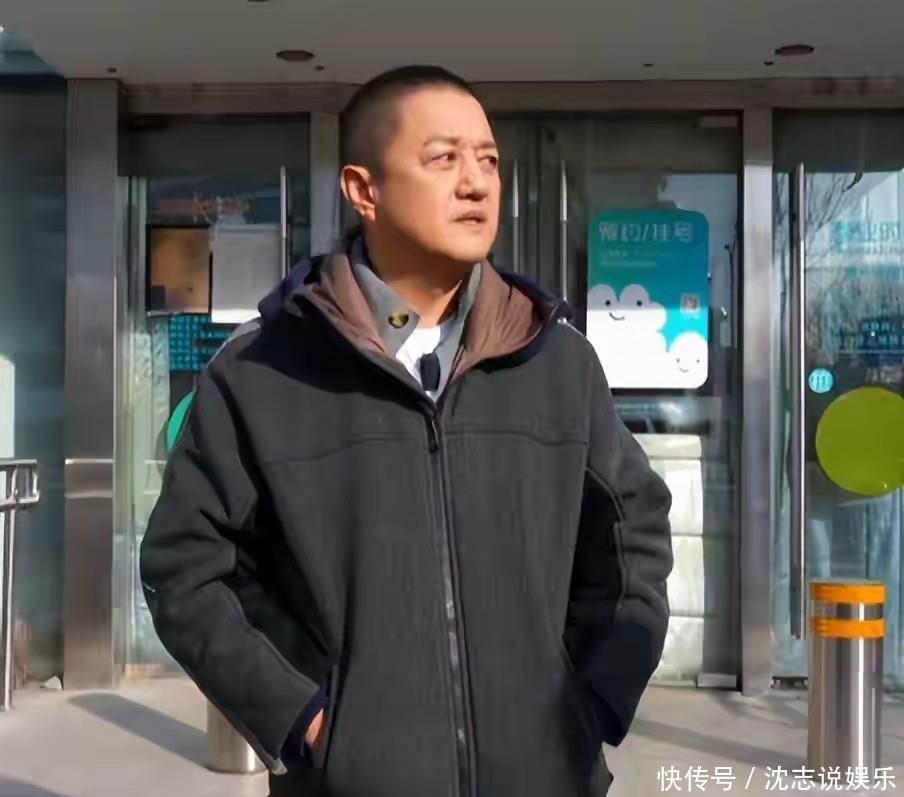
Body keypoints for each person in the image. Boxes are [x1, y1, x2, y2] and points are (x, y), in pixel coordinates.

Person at [140, 65, 674, 797]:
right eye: (443, 158)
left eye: (488, 160)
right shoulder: (263, 370)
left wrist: (594, 696)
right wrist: (307, 718)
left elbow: (632, 533)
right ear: (364, 191)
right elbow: (187, 566)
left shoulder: (557, 360)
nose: (477, 183)